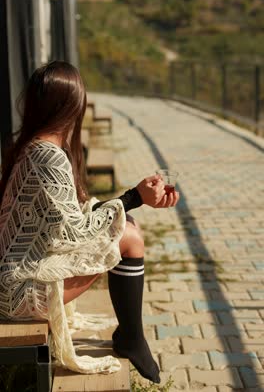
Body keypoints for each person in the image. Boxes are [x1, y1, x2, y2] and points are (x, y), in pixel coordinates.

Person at [0, 61, 180, 383]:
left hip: (12, 281)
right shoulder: (47, 156)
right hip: (16, 293)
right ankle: (131, 339)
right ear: (71, 107)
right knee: (129, 237)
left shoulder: (34, 148)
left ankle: (130, 336)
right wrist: (134, 198)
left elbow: (72, 220)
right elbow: (76, 234)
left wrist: (133, 199)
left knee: (128, 228)